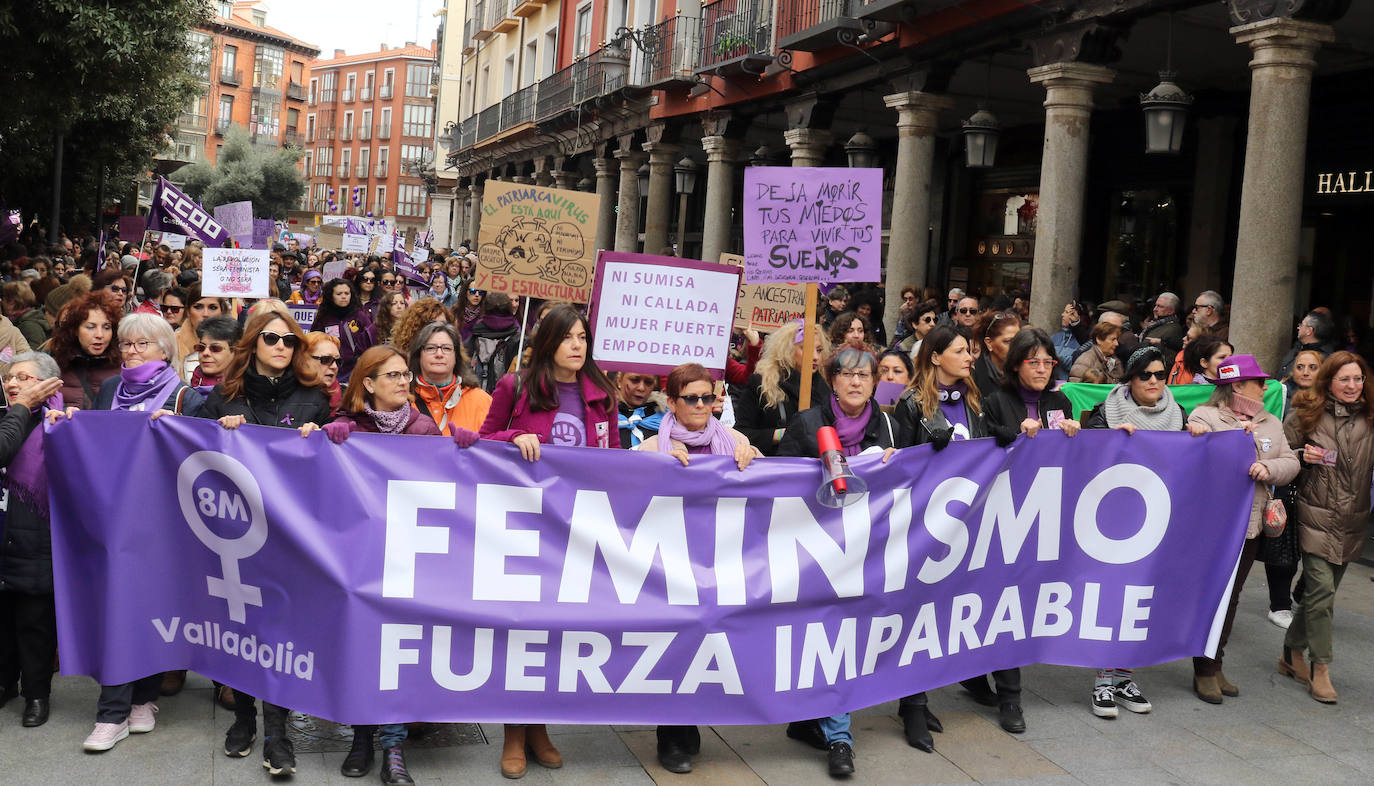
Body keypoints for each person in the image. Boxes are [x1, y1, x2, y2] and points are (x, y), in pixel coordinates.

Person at [479, 304, 617, 778]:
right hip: (526, 527)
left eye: (583, 337)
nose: (578, 345)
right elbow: (483, 441)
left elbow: (615, 457)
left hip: (580, 532)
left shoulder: (602, 394)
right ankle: (513, 732)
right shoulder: (513, 386)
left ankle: (539, 727)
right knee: (521, 629)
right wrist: (514, 435)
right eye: (568, 338)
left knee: (558, 632)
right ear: (547, 343)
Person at [200, 311, 332, 776]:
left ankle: (278, 733)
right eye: (271, 338)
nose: (281, 346)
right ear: (253, 343)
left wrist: (323, 439)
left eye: (289, 340)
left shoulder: (314, 400)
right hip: (233, 534)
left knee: (280, 633)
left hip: (289, 535)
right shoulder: (223, 395)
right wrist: (207, 427)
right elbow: (182, 443)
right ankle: (242, 718)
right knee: (238, 631)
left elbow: (335, 463)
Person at [74, 314, 205, 750]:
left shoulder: (186, 396)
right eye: (126, 344)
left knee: (149, 610)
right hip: (113, 517)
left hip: (163, 523)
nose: (131, 352)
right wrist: (71, 423)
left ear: (165, 350)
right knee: (119, 610)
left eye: (142, 344)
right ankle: (113, 713)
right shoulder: (111, 389)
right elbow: (94, 442)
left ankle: (141, 700)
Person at [633, 363, 759, 776]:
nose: (702, 405)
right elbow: (622, 496)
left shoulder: (734, 440)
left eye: (708, 397)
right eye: (692, 398)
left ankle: (690, 722)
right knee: (675, 644)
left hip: (720, 564)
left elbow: (772, 488)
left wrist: (753, 457)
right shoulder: (651, 448)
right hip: (669, 568)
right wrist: (655, 471)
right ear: (671, 402)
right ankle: (671, 735)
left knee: (710, 646)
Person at [891, 326, 999, 738]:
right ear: (936, 357)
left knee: (950, 612)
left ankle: (947, 681)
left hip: (968, 525)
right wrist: (923, 454)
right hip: (925, 526)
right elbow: (898, 465)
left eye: (970, 351)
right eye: (960, 351)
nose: (970, 357)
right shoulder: (913, 403)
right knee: (918, 611)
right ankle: (913, 704)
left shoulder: (975, 401)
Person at [1182, 354, 1299, 705]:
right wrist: (1222, 437)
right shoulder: (1205, 416)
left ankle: (1215, 663)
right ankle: (1203, 668)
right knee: (1212, 595)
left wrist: (1268, 468)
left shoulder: (1270, 422)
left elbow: (1291, 461)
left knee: (1232, 596)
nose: (1265, 387)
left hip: (1250, 525)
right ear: (1237, 385)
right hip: (1212, 526)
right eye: (1258, 382)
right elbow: (1196, 460)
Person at [1080, 346, 1192, 713]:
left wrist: (1200, 435)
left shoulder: (1179, 414)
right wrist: (1109, 440)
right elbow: (1084, 459)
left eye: (1161, 374)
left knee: (1143, 599)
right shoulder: (1106, 413)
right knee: (1113, 598)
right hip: (1112, 523)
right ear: (1130, 379)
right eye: (1147, 375)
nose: (1156, 381)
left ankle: (1125, 678)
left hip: (1158, 523)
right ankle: (1102, 682)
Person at [1278, 351, 1374, 705]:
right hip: (1314, 514)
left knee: (1321, 594)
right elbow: (1280, 456)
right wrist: (1302, 456)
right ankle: (1321, 669)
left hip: (1353, 519)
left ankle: (1290, 653)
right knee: (1321, 593)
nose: (1352, 386)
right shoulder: (1305, 412)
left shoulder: (1370, 417)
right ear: (1328, 381)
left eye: (1358, 379)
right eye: (1344, 379)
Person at [0, 353, 66, 730]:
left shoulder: (62, 424)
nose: (12, 385)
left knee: (35, 623)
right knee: (3, 623)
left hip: (38, 541)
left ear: (49, 385)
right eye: (9, 378)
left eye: (23, 378)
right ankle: (5, 682)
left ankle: (37, 694)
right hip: (4, 534)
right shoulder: (7, 420)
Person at [1263, 348, 1326, 629]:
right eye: (1300, 366)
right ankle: (1280, 605)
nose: (1305, 372)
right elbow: (1283, 449)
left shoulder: (1338, 404)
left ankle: (1301, 592)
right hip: (1291, 484)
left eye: (1313, 367)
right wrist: (1302, 456)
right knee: (1284, 547)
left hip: (1326, 489)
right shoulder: (1290, 401)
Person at [730, 321, 831, 456]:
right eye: (806, 348)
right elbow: (741, 434)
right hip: (775, 467)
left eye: (819, 350)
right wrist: (781, 434)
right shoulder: (762, 383)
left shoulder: (826, 386)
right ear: (787, 350)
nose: (815, 357)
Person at [983, 328, 1080, 445]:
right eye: (1033, 362)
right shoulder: (996, 403)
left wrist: (1073, 432)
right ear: (1015, 364)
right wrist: (1019, 434)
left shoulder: (1060, 400)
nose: (1042, 370)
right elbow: (988, 452)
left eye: (1048, 362)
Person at [408, 321, 491, 435]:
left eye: (446, 348)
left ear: (456, 356)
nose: (439, 354)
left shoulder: (482, 401)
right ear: (418, 355)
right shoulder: (403, 400)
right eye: (431, 348)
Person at [50, 292, 121, 409]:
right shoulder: (55, 367)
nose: (99, 334)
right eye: (91, 327)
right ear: (76, 330)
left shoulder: (124, 368)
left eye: (106, 327)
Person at [309, 278, 375, 383]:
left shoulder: (359, 316)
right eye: (339, 294)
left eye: (346, 293)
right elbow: (313, 342)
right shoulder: (323, 317)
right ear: (331, 296)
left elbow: (371, 340)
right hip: (328, 368)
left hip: (355, 370)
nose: (343, 297)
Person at [466, 291, 522, 393]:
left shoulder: (472, 340)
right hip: (505, 399)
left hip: (474, 397)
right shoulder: (520, 342)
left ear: (485, 309)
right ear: (509, 309)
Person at [173, 283, 228, 381]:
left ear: (222, 311)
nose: (205, 314)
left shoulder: (237, 345)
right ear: (188, 311)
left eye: (213, 307)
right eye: (198, 307)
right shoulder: (171, 344)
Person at [971, 311, 1022, 396]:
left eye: (1019, 340)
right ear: (989, 343)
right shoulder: (973, 378)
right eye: (1008, 341)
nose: (1015, 346)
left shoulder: (1025, 371)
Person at [1277, 310, 1338, 380]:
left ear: (1309, 331)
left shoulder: (1323, 359)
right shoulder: (1297, 347)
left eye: (1301, 325)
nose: (1298, 327)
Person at [189, 317, 242, 393]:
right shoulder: (187, 390)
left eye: (215, 348)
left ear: (235, 351)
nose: (205, 353)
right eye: (201, 347)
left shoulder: (247, 390)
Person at [616, 371, 667, 448]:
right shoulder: (604, 414)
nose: (641, 388)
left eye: (648, 382)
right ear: (619, 380)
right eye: (634, 380)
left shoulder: (667, 417)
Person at [302, 332, 343, 412]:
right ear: (304, 360)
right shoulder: (284, 395)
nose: (334, 367)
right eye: (326, 360)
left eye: (338, 361)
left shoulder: (349, 401)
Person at [1138, 292, 1185, 357]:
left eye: (1160, 307)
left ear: (1170, 311)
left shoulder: (1173, 329)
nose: (1155, 309)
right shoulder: (1154, 324)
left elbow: (1169, 357)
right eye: (1155, 305)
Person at [2, 281, 48, 348]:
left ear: (12, 302)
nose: (2, 302)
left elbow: (33, 354)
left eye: (3, 299)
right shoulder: (22, 319)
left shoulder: (29, 325)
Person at [1053, 301, 1089, 368]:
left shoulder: (1083, 341)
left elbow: (1076, 364)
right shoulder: (1055, 337)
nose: (1062, 314)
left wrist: (1053, 356)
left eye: (1067, 312)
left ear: (1078, 317)